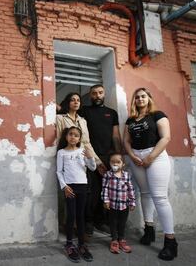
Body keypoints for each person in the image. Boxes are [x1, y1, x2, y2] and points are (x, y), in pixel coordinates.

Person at [123, 87, 178, 261]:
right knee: (144, 194)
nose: (140, 99)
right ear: (134, 101)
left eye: (143, 96)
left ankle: (170, 242)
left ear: (149, 98)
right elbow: (126, 140)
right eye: (137, 97)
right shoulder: (130, 120)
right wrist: (132, 156)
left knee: (160, 198)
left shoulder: (157, 115)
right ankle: (149, 230)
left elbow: (166, 137)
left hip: (156, 156)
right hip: (136, 158)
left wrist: (150, 157)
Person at [80, 84, 122, 235]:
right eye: (94, 93)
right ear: (90, 96)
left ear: (104, 94)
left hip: (110, 157)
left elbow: (116, 135)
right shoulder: (84, 111)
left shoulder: (112, 113)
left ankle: (101, 221)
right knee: (92, 191)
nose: (97, 96)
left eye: (100, 93)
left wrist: (119, 156)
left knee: (108, 191)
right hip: (91, 157)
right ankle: (89, 222)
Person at [56, 126, 96, 262]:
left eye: (76, 135)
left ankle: (81, 244)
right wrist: (64, 186)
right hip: (70, 187)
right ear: (66, 137)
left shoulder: (82, 151)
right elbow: (59, 171)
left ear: (79, 138)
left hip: (82, 186)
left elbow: (92, 167)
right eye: (70, 134)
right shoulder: (61, 152)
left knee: (80, 215)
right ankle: (69, 244)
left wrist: (90, 158)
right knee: (71, 215)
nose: (73, 137)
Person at [101, 153, 136, 254]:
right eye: (113, 162)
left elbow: (130, 189)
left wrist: (132, 202)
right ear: (109, 163)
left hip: (124, 205)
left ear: (123, 164)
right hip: (112, 205)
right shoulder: (108, 175)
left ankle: (121, 239)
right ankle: (114, 240)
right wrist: (106, 200)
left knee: (122, 223)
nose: (115, 164)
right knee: (113, 223)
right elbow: (105, 188)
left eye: (118, 162)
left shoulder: (126, 175)